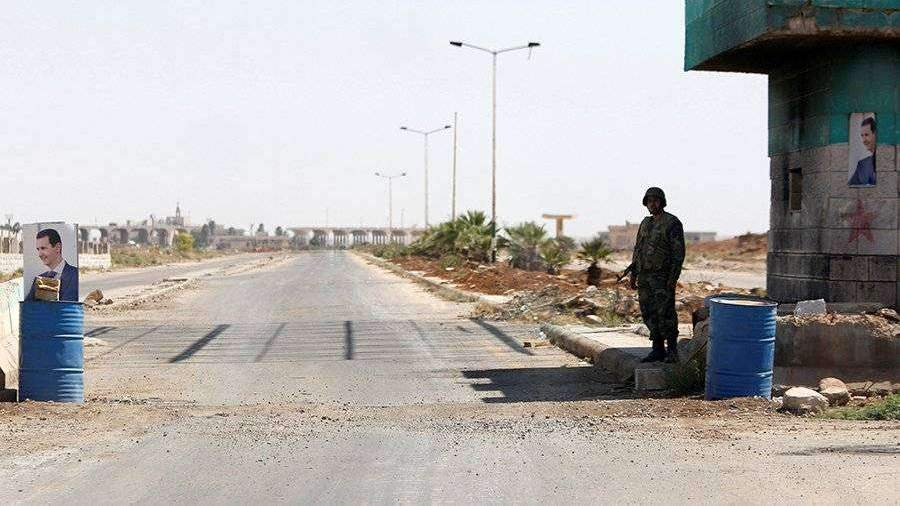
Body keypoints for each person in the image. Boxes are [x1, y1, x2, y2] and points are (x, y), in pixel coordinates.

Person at [626, 187, 685, 363]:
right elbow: (638, 249)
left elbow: (678, 254)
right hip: (645, 277)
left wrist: (673, 278)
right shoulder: (645, 223)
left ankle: (672, 350)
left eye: (656, 200)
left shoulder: (672, 223)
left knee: (666, 313)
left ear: (662, 202)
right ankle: (657, 349)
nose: (652, 204)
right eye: (649, 201)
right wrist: (634, 274)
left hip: (662, 277)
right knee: (649, 312)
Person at [25, 228, 79, 302]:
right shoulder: (38, 280)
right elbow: (27, 306)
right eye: (38, 249)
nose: (39, 254)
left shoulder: (76, 275)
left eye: (43, 248)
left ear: (58, 248)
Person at [848, 117, 876, 186]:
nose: (864, 140)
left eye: (866, 135)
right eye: (862, 136)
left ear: (875, 134)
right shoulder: (862, 164)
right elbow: (849, 188)